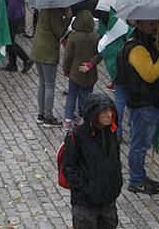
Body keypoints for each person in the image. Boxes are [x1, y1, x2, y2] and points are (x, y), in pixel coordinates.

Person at [116, 19, 159, 194]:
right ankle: (136, 180)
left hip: (148, 101)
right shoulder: (137, 49)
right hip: (144, 103)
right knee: (139, 144)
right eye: (151, 24)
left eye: (156, 23)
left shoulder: (145, 43)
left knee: (142, 143)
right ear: (139, 24)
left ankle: (140, 175)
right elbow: (150, 74)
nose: (155, 26)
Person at [61, 92, 122, 229]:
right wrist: (85, 190)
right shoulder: (77, 136)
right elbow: (69, 167)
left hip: (108, 202)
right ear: (94, 114)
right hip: (85, 205)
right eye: (104, 111)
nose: (109, 115)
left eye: (110, 110)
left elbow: (115, 161)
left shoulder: (111, 133)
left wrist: (116, 184)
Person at [62, 10, 101, 130]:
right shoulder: (96, 36)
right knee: (87, 96)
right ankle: (84, 118)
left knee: (72, 95)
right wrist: (91, 64)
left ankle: (68, 120)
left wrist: (66, 70)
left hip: (75, 72)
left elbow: (68, 56)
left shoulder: (73, 37)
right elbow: (100, 53)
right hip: (90, 73)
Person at [33, 6, 70, 127]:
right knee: (49, 85)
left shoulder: (44, 8)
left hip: (38, 49)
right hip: (48, 51)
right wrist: (68, 18)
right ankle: (48, 117)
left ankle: (41, 114)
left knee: (42, 83)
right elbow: (59, 32)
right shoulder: (53, 11)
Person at [2, 0, 33, 73]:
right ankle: (12, 64)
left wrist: (5, 18)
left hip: (13, 17)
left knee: (9, 41)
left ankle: (25, 59)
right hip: (16, 16)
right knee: (9, 40)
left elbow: (12, 5)